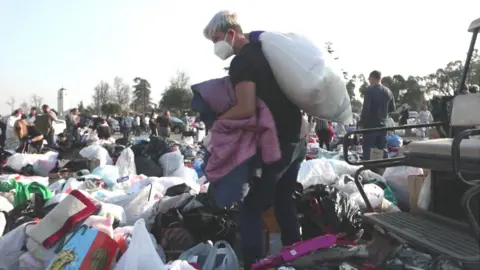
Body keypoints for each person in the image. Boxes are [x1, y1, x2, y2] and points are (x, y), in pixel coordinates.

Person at [204, 11, 306, 268]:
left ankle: (255, 263)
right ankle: (298, 256)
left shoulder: (243, 62)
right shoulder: (265, 52)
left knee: (251, 207)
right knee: (284, 200)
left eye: (216, 39)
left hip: (279, 141)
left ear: (230, 33)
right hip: (298, 136)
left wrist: (219, 123)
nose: (216, 46)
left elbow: (246, 107)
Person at [359, 70, 395, 160]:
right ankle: (383, 169)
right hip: (383, 125)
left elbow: (366, 109)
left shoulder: (370, 91)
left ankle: (368, 169)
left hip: (370, 126)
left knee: (368, 148)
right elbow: (392, 109)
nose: (369, 81)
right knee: (382, 149)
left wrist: (361, 123)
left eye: (369, 79)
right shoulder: (388, 91)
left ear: (372, 78)